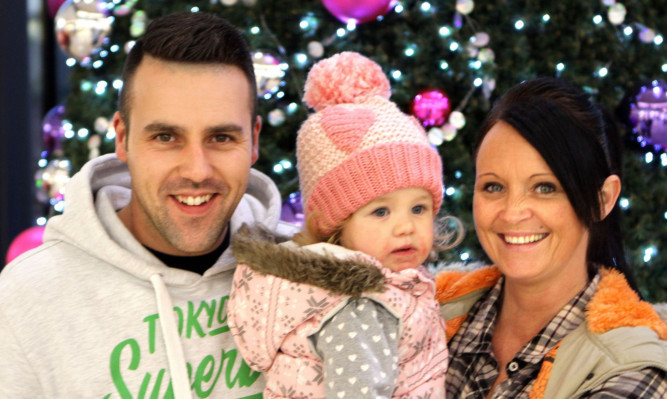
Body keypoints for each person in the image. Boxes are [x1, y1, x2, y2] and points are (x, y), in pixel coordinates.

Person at [0, 12, 297, 398]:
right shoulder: (27, 299)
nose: (196, 170)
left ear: (253, 141)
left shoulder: (306, 273)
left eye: (221, 137)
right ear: (122, 139)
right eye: (165, 136)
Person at [227, 52, 460, 399]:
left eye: (418, 208)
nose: (406, 227)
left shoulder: (388, 286)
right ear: (334, 226)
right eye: (381, 212)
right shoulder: (358, 306)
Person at [435, 77, 667, 398]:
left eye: (545, 188)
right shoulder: (426, 315)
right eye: (493, 186)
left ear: (603, 199)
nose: (512, 213)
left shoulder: (631, 370)